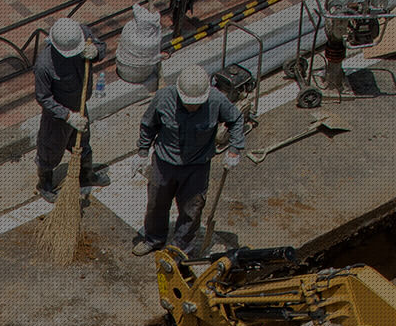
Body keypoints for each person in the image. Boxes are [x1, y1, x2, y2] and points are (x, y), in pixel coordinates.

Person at [133, 63, 245, 256]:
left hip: (197, 167)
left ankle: (181, 249)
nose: (193, 106)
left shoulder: (216, 100)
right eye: (188, 102)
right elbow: (148, 125)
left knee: (191, 210)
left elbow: (236, 120)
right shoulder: (163, 98)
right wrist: (142, 152)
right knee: (156, 204)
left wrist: (234, 149)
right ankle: (154, 239)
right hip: (164, 164)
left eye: (197, 103)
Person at [34, 17, 109, 203]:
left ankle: (86, 174)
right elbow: (43, 98)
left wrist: (96, 51)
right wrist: (67, 116)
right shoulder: (44, 65)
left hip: (80, 105)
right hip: (58, 117)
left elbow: (101, 46)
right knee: (50, 151)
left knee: (83, 142)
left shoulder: (82, 35)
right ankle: (45, 184)